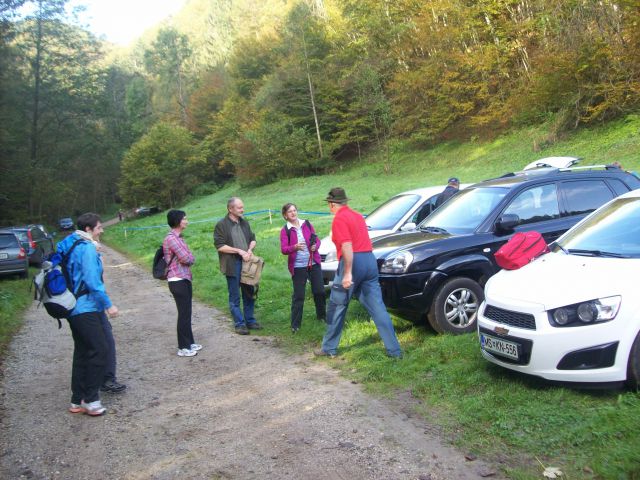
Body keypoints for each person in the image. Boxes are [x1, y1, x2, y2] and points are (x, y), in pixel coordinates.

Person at [315, 188, 403, 358]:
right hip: (369, 261)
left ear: (332, 204)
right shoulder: (357, 216)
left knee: (337, 306)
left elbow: (347, 246)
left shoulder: (339, 218)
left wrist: (347, 273)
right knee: (378, 308)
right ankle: (395, 351)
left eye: (329, 205)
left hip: (353, 262)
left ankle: (328, 348)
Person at [56, 213, 119, 416]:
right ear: (89, 230)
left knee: (82, 352)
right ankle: (90, 399)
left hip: (72, 307)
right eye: (99, 227)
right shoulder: (86, 249)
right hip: (87, 308)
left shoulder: (69, 243)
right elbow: (93, 282)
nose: (102, 230)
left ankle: (76, 400)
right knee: (99, 350)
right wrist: (108, 305)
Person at [214, 197, 262, 335]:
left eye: (242, 207)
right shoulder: (221, 225)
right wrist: (239, 251)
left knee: (249, 292)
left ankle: (250, 321)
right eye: (240, 207)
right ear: (230, 209)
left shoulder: (244, 222)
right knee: (235, 296)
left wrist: (249, 250)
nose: (243, 209)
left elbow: (253, 239)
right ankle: (239, 324)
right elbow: (220, 246)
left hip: (247, 262)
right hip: (232, 264)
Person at [280, 203, 326, 333]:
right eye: (290, 212)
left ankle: (322, 317)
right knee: (299, 296)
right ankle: (295, 325)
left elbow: (317, 240)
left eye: (294, 210)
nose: (293, 213)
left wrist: (315, 246)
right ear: (285, 215)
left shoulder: (307, 224)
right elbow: (283, 249)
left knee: (320, 292)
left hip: (314, 263)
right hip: (298, 266)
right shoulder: (285, 230)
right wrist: (294, 247)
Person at [163, 209, 202, 357]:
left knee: (187, 312)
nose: (186, 221)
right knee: (184, 313)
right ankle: (183, 347)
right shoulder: (171, 239)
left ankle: (190, 342)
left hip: (184, 278)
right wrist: (190, 258)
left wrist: (189, 257)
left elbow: (187, 256)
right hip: (177, 279)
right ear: (178, 221)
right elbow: (187, 258)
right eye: (184, 218)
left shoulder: (178, 237)